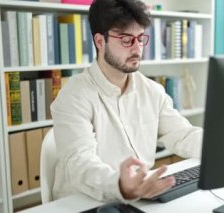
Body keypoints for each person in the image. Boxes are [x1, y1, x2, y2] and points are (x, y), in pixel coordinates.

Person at [50, 0, 203, 203]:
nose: (137, 48)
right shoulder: (73, 96)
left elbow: (182, 135)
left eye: (140, 38)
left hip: (138, 198)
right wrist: (120, 186)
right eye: (125, 39)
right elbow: (80, 163)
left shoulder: (152, 91)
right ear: (99, 41)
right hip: (86, 203)